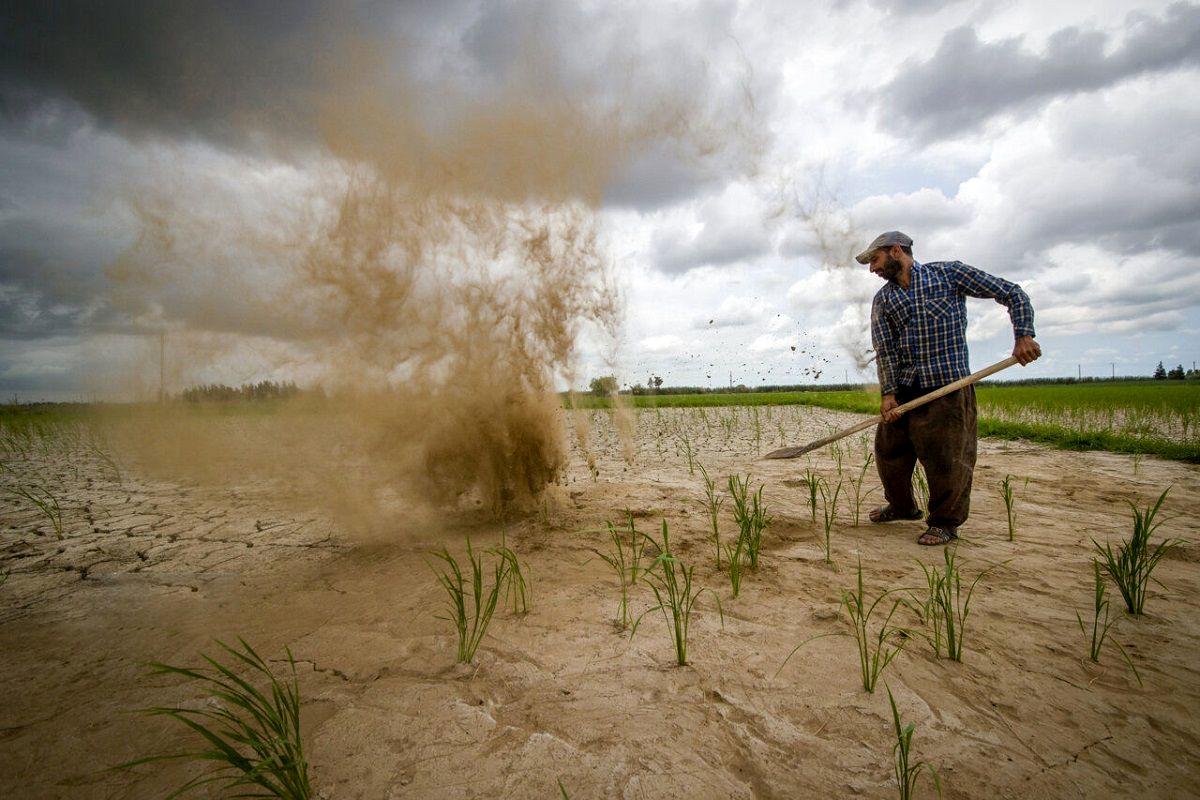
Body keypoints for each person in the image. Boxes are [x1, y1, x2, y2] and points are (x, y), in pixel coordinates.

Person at [856, 231, 1041, 545]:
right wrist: (888, 393)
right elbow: (884, 350)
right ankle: (902, 507)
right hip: (904, 390)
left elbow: (1011, 292)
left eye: (875, 259)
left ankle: (945, 523)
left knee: (947, 459)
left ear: (896, 251)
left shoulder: (949, 274)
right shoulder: (883, 299)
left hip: (948, 387)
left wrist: (1023, 335)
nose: (872, 268)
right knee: (889, 453)